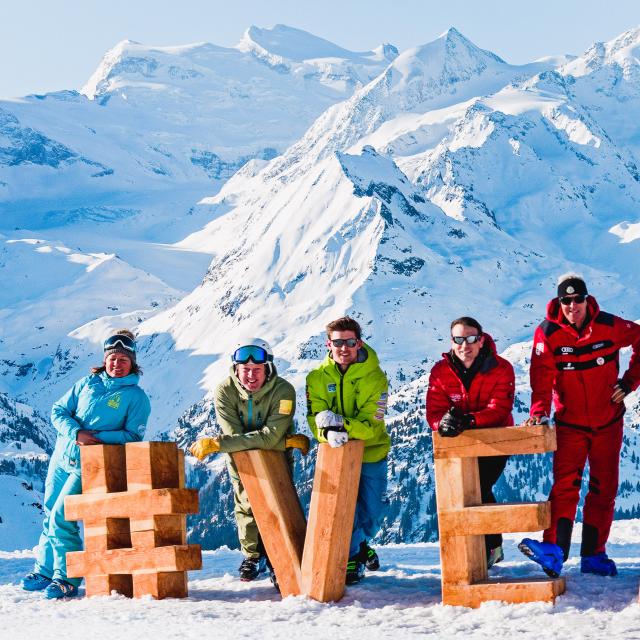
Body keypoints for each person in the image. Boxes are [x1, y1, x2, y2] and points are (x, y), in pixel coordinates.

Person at [519, 274, 640, 578]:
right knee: (564, 488)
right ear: (559, 302)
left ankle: (594, 556)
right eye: (566, 300)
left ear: (587, 299)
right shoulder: (547, 333)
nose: (572, 306)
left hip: (608, 422)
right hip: (570, 425)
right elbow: (541, 378)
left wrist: (629, 382)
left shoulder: (610, 326)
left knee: (604, 489)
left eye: (577, 299)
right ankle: (554, 553)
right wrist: (538, 412)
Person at [20, 330, 151, 599]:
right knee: (49, 513)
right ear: (105, 359)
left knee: (61, 516)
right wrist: (75, 433)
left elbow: (133, 436)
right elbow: (58, 411)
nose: (117, 363)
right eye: (112, 358)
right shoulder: (87, 383)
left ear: (132, 362)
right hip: (61, 457)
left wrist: (96, 438)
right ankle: (45, 570)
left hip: (89, 464)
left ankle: (67, 577)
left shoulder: (136, 397)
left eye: (123, 359)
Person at [190, 338, 309, 584]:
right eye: (245, 370)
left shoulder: (283, 390)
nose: (251, 376)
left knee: (279, 498)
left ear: (268, 369)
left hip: (273, 454)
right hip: (243, 454)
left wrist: (220, 444)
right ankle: (253, 555)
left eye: (257, 370)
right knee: (245, 499)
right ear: (236, 369)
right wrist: (278, 440)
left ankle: (281, 553)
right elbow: (244, 436)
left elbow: (268, 437)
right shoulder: (225, 390)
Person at [306, 316, 390, 584]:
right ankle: (352, 558)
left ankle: (362, 545)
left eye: (349, 342)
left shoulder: (375, 377)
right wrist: (326, 432)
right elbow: (314, 417)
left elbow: (371, 427)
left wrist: (339, 423)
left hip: (371, 452)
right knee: (344, 510)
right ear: (328, 344)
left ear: (359, 343)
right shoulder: (317, 378)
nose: (344, 348)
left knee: (372, 511)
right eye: (338, 342)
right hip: (335, 454)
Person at [426, 317, 515, 568]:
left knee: (478, 485)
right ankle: (476, 548)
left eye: (471, 338)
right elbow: (434, 411)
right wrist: (442, 424)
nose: (465, 345)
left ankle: (489, 547)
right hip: (458, 443)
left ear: (481, 339)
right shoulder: (441, 371)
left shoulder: (501, 368)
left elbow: (499, 409)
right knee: (462, 492)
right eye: (459, 339)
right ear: (452, 341)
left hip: (495, 441)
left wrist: (469, 421)